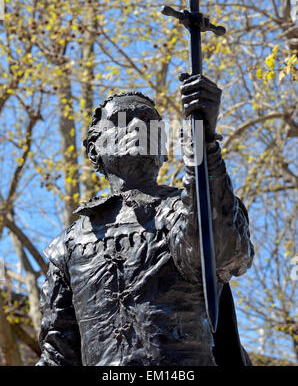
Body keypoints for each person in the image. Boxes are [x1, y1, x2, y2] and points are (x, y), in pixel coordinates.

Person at [36, 74, 254, 366]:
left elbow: (220, 251)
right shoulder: (67, 245)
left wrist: (201, 143)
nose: (138, 127)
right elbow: (58, 354)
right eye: (123, 120)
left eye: (151, 125)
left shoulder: (184, 210)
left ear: (163, 150)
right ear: (93, 150)